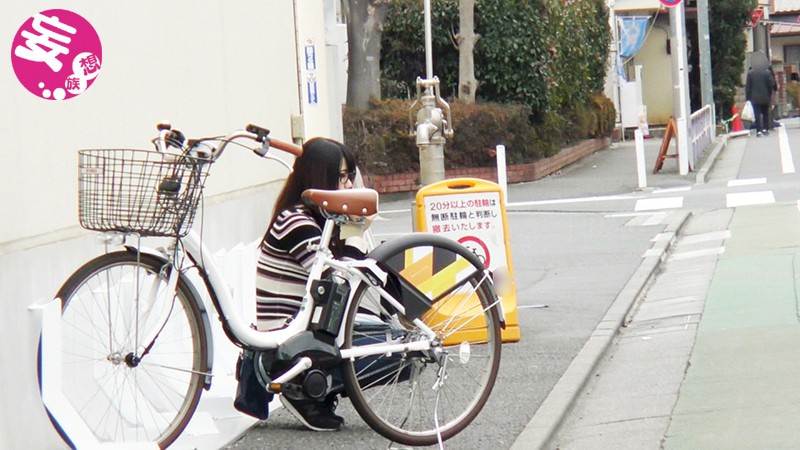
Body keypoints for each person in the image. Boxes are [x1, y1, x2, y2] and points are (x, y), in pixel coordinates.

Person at [255, 137, 362, 431]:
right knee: (396, 350)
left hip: (297, 332)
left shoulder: (305, 216)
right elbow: (340, 287)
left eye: (350, 176)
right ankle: (301, 385)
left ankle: (316, 387)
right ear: (320, 178)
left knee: (385, 335)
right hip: (286, 342)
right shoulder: (296, 222)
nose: (349, 186)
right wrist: (356, 229)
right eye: (342, 177)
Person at [745, 51, 776, 137]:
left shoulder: (750, 73)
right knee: (765, 113)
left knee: (757, 114)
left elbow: (748, 87)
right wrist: (770, 94)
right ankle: (765, 128)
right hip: (765, 96)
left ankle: (758, 130)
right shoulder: (767, 72)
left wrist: (748, 98)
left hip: (754, 97)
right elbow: (771, 85)